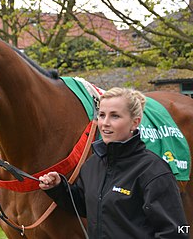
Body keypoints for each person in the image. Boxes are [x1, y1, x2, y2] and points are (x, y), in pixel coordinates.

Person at [39, 87, 189, 238]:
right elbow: (86, 206)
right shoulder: (92, 165)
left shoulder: (153, 171)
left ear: (134, 123)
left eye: (115, 116)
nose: (105, 123)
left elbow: (174, 232)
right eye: (102, 115)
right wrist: (58, 188)